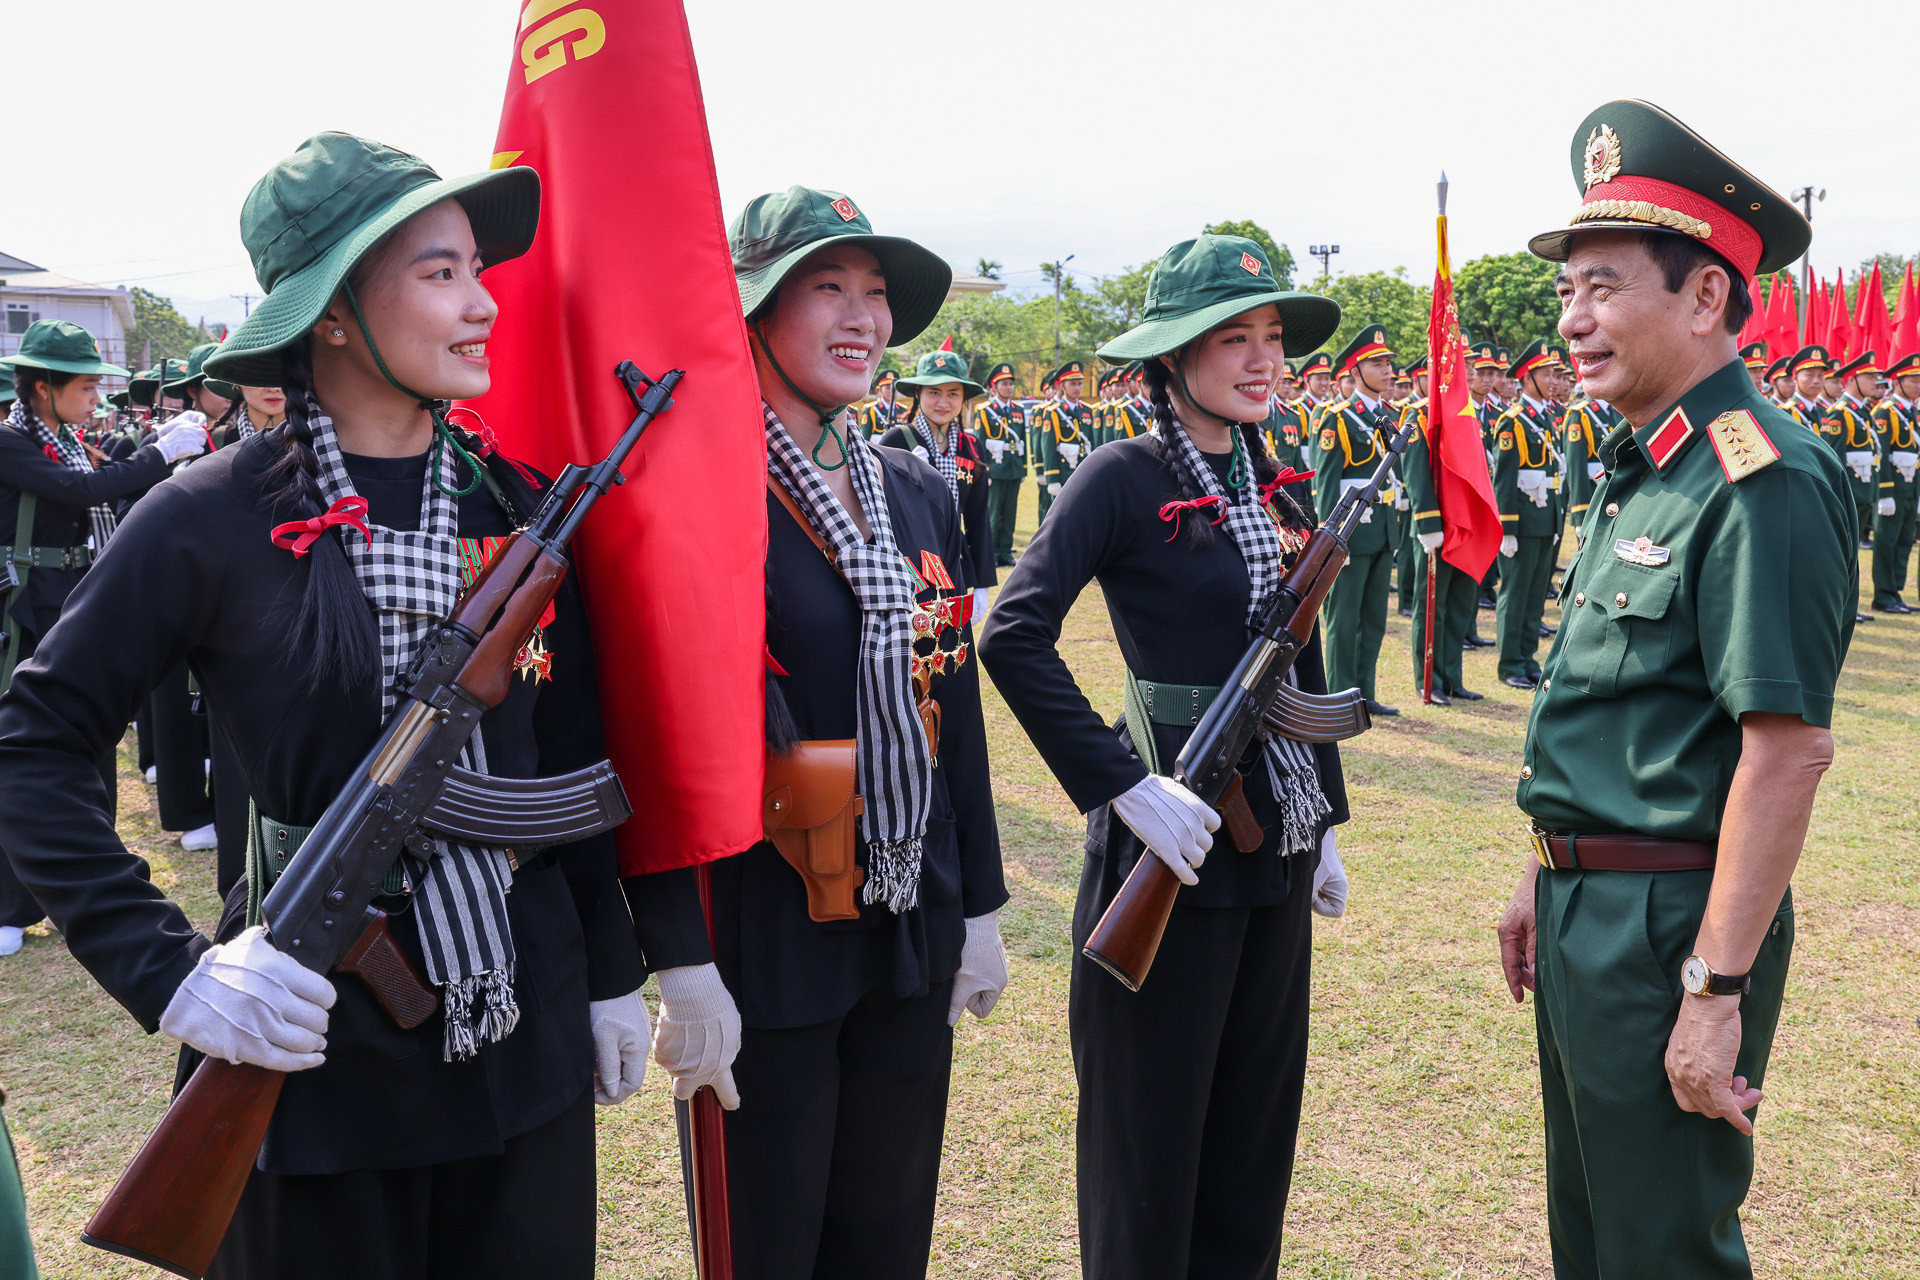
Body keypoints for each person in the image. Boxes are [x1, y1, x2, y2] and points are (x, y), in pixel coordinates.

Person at [0, 133, 658, 1277]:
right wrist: (167, 970)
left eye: (477, 269)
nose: (484, 303)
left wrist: (610, 972)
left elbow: (567, 756)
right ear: (336, 312)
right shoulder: (209, 514)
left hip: (522, 1031)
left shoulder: (519, 508)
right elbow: (32, 746)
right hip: (314, 1045)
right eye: (440, 272)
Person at [1502, 99, 1854, 1280]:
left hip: (1669, 928)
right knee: (1594, 1234)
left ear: (1706, 297)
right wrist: (1543, 866)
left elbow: (1785, 750)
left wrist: (1716, 987)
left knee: (1658, 1248)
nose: (1572, 319)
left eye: (1602, 287)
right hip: (1586, 906)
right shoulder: (1642, 466)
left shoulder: (1761, 476)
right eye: (1567, 290)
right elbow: (1621, 713)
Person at [636, 184, 1008, 1279]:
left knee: (886, 1239)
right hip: (764, 919)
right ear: (751, 312)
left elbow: (953, 701)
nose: (863, 318)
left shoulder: (912, 487)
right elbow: (650, 735)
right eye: (827, 287)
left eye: (876, 292)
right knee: (768, 1241)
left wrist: (979, 901)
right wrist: (679, 958)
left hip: (906, 906)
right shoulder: (692, 489)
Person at [981, 233, 1349, 1280]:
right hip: (1169, 839)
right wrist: (1120, 784)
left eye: (1272, 337)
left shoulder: (1275, 481)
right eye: (1234, 338)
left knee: (1250, 1149)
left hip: (1273, 847)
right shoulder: (1121, 476)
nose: (1264, 359)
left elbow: (1300, 651)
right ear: (1173, 356)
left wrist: (1326, 817)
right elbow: (1012, 633)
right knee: (1147, 1155)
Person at [0, 320, 204, 958]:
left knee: (92, 737)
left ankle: (81, 887)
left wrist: (150, 452)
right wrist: (159, 453)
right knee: (27, 750)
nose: (96, 399)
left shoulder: (62, 440)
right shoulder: (10, 442)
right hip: (28, 610)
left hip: (72, 597)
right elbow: (82, 490)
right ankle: (10, 904)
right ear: (43, 387)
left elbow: (103, 478)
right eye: (85, 387)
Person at [1311, 323, 1402, 716]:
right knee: (1344, 619)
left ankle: (1365, 692)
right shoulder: (1337, 418)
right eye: (1377, 364)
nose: (1387, 370)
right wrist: (1332, 541)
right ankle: (1339, 697)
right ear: (1355, 371)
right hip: (1351, 533)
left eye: (1387, 363)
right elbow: (1326, 484)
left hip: (1382, 529)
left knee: (1374, 618)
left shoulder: (1390, 415)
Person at [880, 348, 996, 603]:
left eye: (953, 393)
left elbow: (978, 518)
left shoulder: (972, 447)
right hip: (905, 567)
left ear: (963, 397)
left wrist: (982, 583)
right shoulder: (896, 441)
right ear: (918, 394)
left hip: (955, 564)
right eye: (934, 392)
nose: (943, 402)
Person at [1401, 357, 1483, 705]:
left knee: (1460, 605)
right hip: (1436, 524)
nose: (1470, 372)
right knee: (1431, 607)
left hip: (1466, 522)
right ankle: (1428, 679)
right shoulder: (1419, 414)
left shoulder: (1467, 412)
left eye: (1471, 366)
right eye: (1464, 365)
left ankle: (1451, 677)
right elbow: (1415, 472)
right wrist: (1427, 523)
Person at [1868, 352, 1919, 612]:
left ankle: (1896, 592)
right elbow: (1882, 454)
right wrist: (1885, 492)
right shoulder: (1886, 411)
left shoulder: (1912, 411)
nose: (1918, 385)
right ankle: (1884, 595)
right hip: (1893, 489)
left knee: (1904, 541)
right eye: (1914, 380)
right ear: (1897, 382)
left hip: (1911, 487)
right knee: (1886, 542)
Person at [970, 360, 1027, 567]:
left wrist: (1023, 468)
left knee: (1010, 514)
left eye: (1011, 383)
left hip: (1013, 469)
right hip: (995, 469)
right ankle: (992, 553)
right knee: (993, 514)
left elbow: (1022, 441)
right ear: (994, 387)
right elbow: (979, 443)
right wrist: (983, 471)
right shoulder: (985, 410)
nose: (1009, 387)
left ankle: (1005, 551)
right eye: (1004, 384)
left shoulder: (1018, 410)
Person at [1783, 344, 1830, 429]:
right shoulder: (1786, 412)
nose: (1816, 381)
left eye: (1820, 375)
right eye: (1810, 375)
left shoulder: (1823, 410)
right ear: (1795, 378)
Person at [855, 367, 899, 439]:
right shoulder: (871, 409)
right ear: (879, 390)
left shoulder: (903, 409)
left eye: (894, 388)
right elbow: (866, 437)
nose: (891, 391)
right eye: (887, 388)